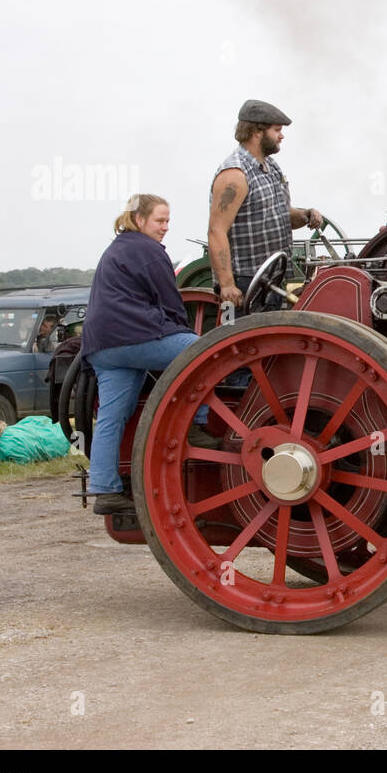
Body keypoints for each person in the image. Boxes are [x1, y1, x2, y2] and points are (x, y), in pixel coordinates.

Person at [82, 194, 216, 515]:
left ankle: (104, 488)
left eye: (168, 221)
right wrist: (184, 334)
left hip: (103, 347)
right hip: (134, 337)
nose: (165, 228)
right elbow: (172, 302)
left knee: (112, 418)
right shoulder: (147, 250)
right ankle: (198, 425)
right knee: (203, 352)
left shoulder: (117, 247)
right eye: (160, 221)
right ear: (139, 220)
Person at [208, 99, 324, 312]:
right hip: (245, 283)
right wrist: (227, 285)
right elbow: (216, 231)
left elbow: (280, 216)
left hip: (270, 279)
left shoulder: (271, 167)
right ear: (257, 132)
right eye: (277, 130)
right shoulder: (234, 174)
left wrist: (305, 215)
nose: (281, 135)